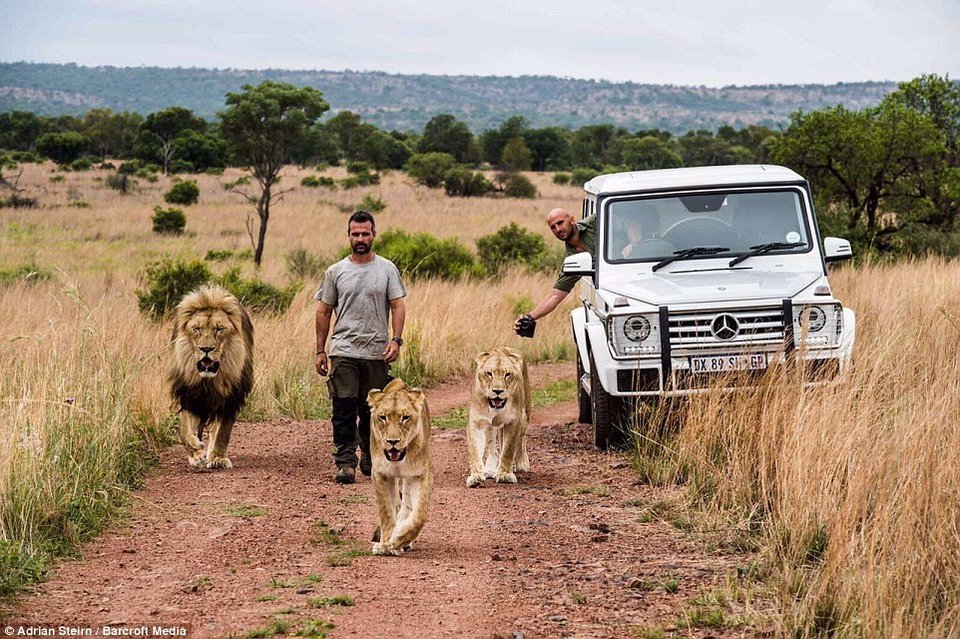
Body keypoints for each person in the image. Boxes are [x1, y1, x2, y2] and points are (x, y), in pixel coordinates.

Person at [315, 211, 407, 484]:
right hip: (343, 350)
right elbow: (323, 312)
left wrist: (396, 339)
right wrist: (321, 350)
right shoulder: (336, 271)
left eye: (365, 233)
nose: (360, 239)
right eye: (355, 234)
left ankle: (370, 454)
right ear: (349, 236)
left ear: (374, 235)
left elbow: (398, 305)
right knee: (343, 407)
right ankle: (345, 461)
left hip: (376, 352)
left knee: (373, 411)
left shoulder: (387, 269)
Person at [513, 208, 595, 334]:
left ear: (572, 220)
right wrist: (529, 318)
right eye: (553, 227)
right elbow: (555, 296)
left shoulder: (593, 223)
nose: (558, 229)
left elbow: (625, 216)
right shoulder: (572, 260)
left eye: (560, 223)